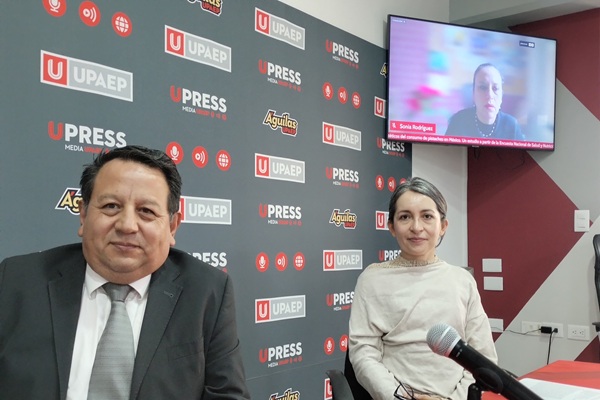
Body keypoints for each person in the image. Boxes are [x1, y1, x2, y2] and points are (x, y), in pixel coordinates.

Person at [0, 145, 251, 399]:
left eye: (146, 211)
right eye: (111, 206)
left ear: (172, 227)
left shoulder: (207, 292)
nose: (127, 225)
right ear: (83, 215)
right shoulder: (15, 281)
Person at [348, 177, 497, 400]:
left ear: (443, 226)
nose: (416, 227)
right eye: (405, 217)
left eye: (427, 216)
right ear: (391, 227)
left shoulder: (462, 281)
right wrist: (399, 397)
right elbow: (363, 353)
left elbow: (483, 358)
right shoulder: (372, 280)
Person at [445, 63, 524, 141]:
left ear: (501, 96)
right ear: (473, 94)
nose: (490, 95)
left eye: (495, 88)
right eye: (483, 87)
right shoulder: (458, 122)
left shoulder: (512, 126)